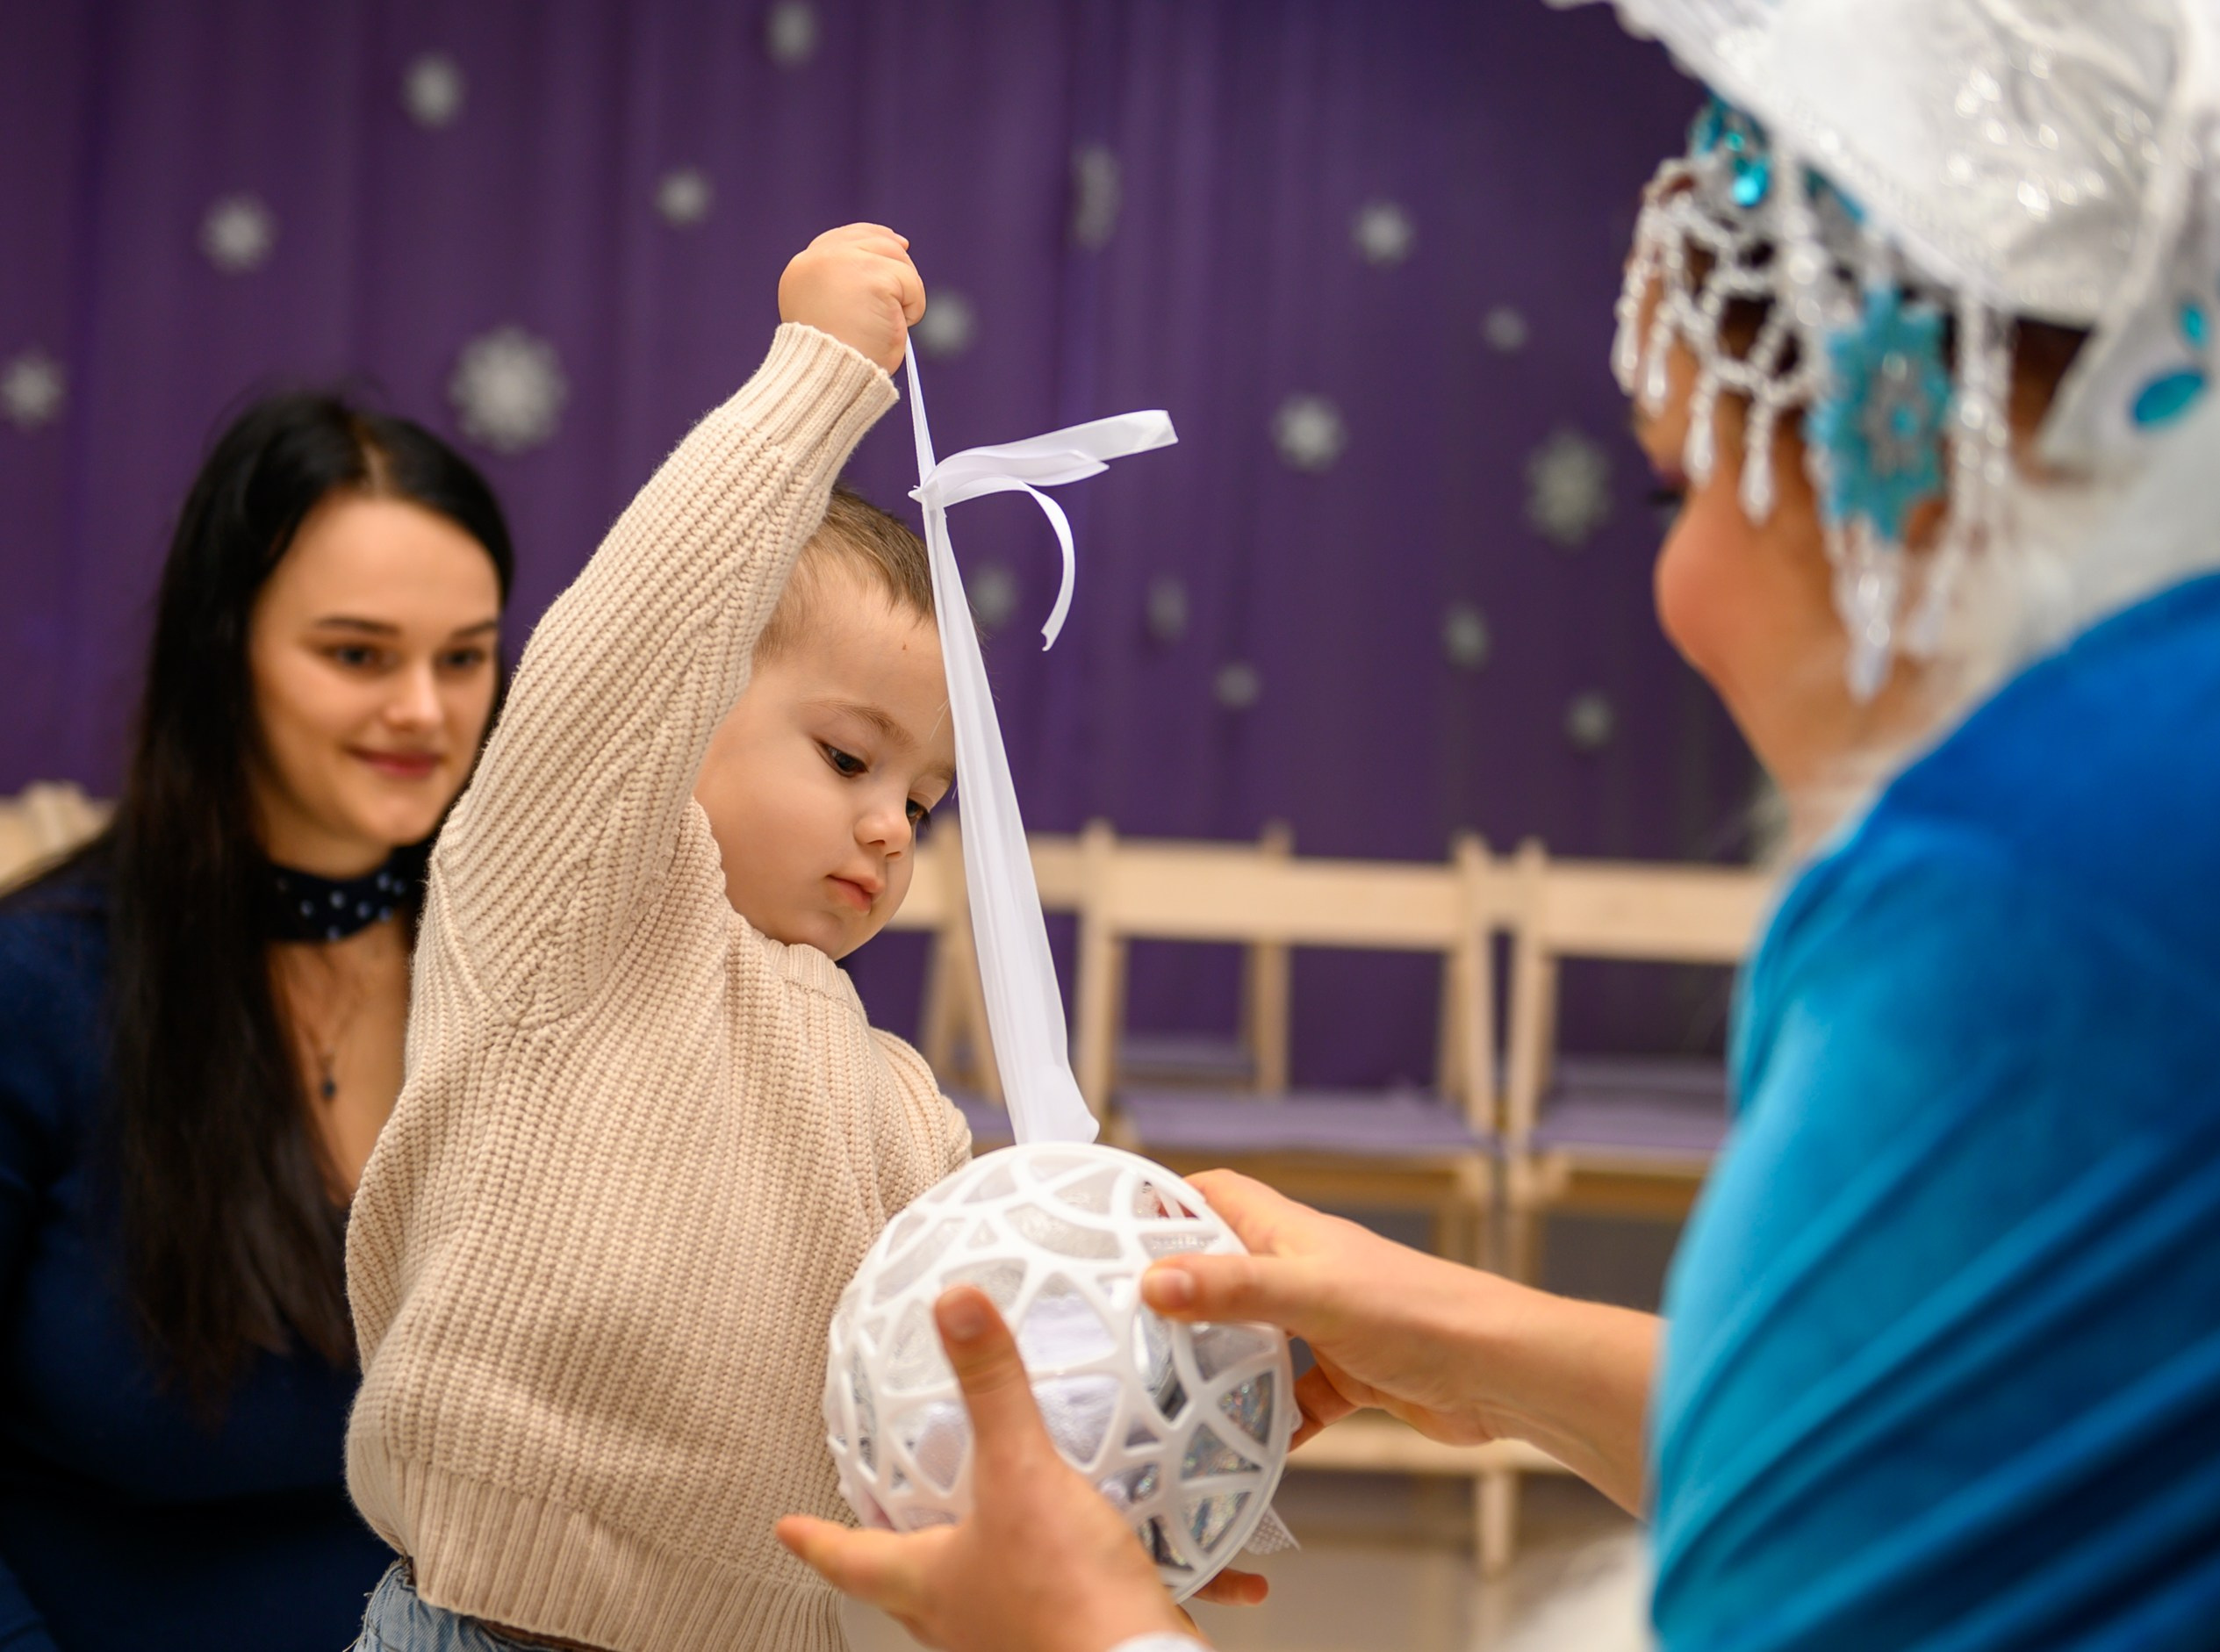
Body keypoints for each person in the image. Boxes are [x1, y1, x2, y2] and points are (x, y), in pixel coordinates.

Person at [780, 2, 2220, 1648]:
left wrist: (1088, 1631)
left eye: (1672, 489)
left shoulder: (2023, 890)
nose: (1669, 596)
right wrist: (1465, 1336)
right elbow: (1994, 1455)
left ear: (1895, 457)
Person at [342, 226, 972, 1652]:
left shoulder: (894, 1099)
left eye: (922, 801)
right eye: (844, 755)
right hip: (485, 1624)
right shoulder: (578, 902)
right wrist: (813, 376)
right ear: (690, 716)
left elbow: (945, 1360)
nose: (888, 828)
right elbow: (627, 645)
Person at [0, 392, 514, 1651]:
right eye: (357, 653)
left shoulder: (515, 987)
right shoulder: (42, 988)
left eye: (463, 656)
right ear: (221, 650)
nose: (425, 712)